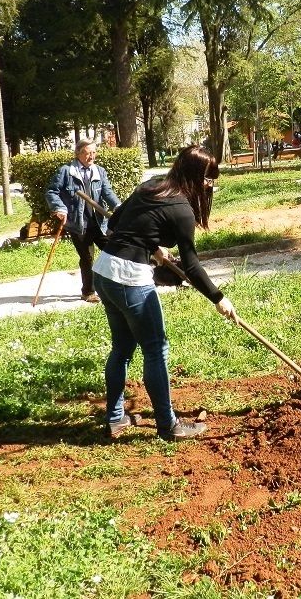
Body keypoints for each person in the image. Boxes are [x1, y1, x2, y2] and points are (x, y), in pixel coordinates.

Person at [93, 145, 238, 442]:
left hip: (104, 270)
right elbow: (193, 266)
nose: (210, 186)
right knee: (155, 349)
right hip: (129, 278)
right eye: (209, 180)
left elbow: (116, 223)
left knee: (122, 348)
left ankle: (116, 418)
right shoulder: (182, 209)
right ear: (198, 177)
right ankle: (168, 425)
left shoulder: (151, 186)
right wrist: (218, 297)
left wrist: (152, 247)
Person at [46, 139, 121, 303]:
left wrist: (118, 206)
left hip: (100, 223)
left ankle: (116, 285)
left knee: (114, 250)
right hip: (78, 224)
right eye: (88, 153)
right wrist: (59, 207)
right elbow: (52, 192)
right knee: (87, 257)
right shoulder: (66, 171)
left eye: (94, 152)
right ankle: (88, 292)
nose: (91, 156)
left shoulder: (99, 171)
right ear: (78, 153)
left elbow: (107, 192)